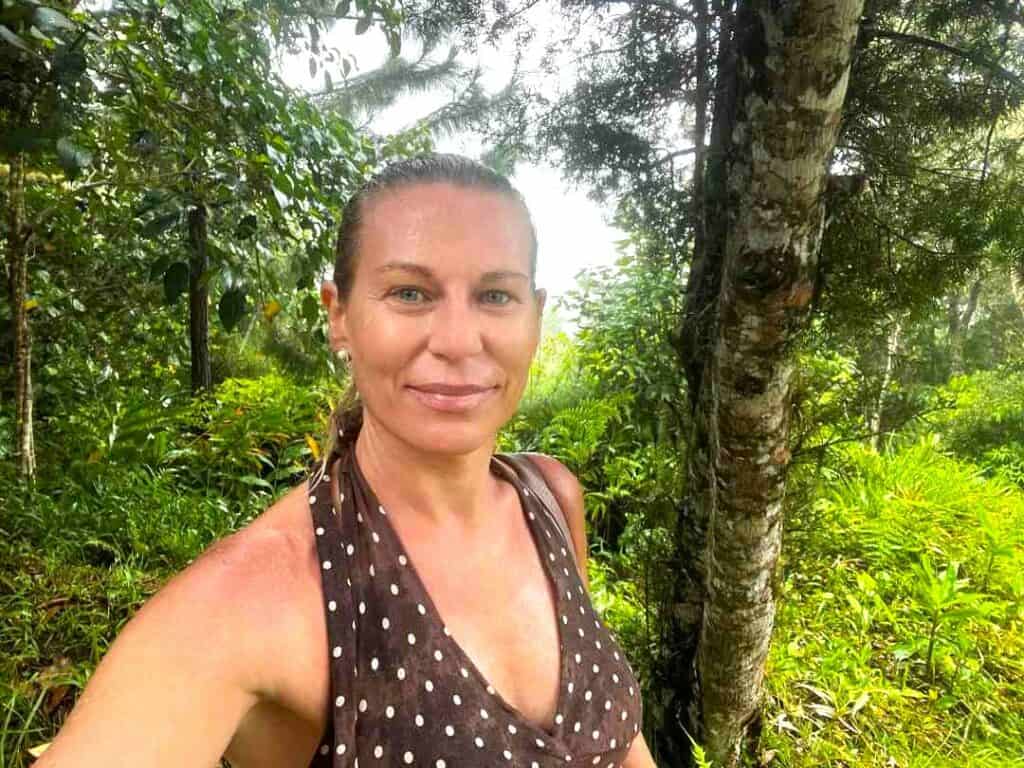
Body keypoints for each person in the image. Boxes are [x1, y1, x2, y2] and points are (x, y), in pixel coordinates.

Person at [34, 153, 655, 768]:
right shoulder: (259, 595)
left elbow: (619, 744)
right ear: (339, 316)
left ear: (536, 316)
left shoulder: (549, 497)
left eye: (495, 295)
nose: (460, 342)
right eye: (410, 293)